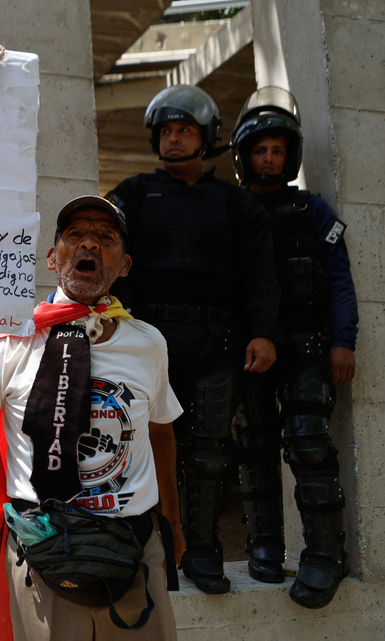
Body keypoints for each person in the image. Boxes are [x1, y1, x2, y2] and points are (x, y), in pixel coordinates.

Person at [0, 196, 183, 641]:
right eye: (75, 234)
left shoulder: (148, 344)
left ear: (123, 264)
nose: (89, 243)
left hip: (136, 552)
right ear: (53, 258)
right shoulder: (13, 342)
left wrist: (174, 526)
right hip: (46, 554)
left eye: (106, 237)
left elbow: (161, 435)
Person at [105, 84, 281, 595]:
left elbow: (259, 274)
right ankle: (150, 553)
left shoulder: (235, 203)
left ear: (206, 138)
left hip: (216, 344)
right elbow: (112, 260)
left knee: (207, 453)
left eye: (184, 130)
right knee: (136, 450)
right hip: (146, 341)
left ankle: (203, 555)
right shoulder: (133, 194)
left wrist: (264, 333)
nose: (174, 139)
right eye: (166, 131)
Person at [229, 86, 358, 608]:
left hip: (309, 347)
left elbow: (339, 278)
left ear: (290, 156)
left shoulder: (314, 211)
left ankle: (325, 554)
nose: (268, 158)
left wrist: (344, 341)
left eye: (277, 150)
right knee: (254, 446)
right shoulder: (232, 211)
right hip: (249, 351)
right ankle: (264, 547)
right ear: (245, 155)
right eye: (260, 150)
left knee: (309, 445)